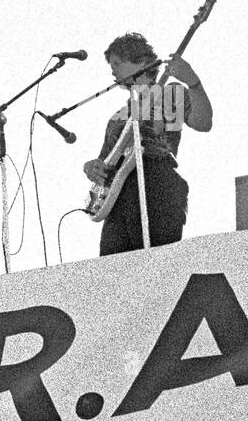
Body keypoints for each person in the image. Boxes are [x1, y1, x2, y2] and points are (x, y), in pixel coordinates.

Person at [83, 32, 213, 256]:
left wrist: (193, 82)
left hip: (157, 186)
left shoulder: (170, 92)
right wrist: (91, 167)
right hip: (118, 199)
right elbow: (105, 162)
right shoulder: (118, 116)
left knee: (154, 267)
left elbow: (203, 123)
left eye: (118, 63)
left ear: (141, 62)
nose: (112, 70)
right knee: (111, 271)